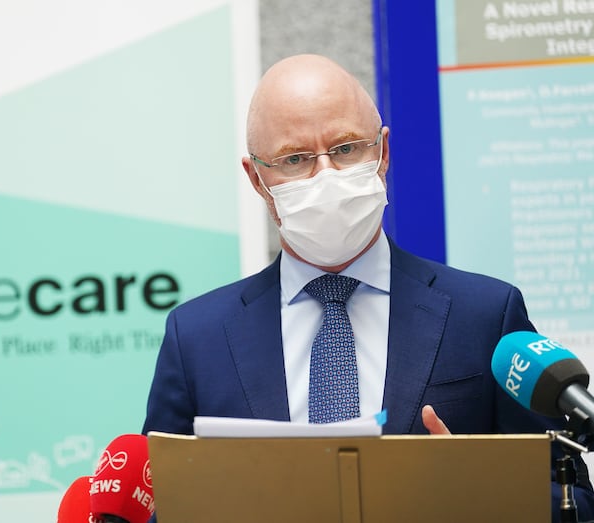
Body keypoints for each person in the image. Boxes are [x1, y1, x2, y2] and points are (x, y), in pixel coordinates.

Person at [141, 53, 594, 520]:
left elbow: (574, 498)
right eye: (294, 159)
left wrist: (486, 496)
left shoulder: (484, 315)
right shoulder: (197, 339)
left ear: (383, 153)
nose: (327, 177)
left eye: (346, 149)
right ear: (257, 178)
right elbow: (159, 507)